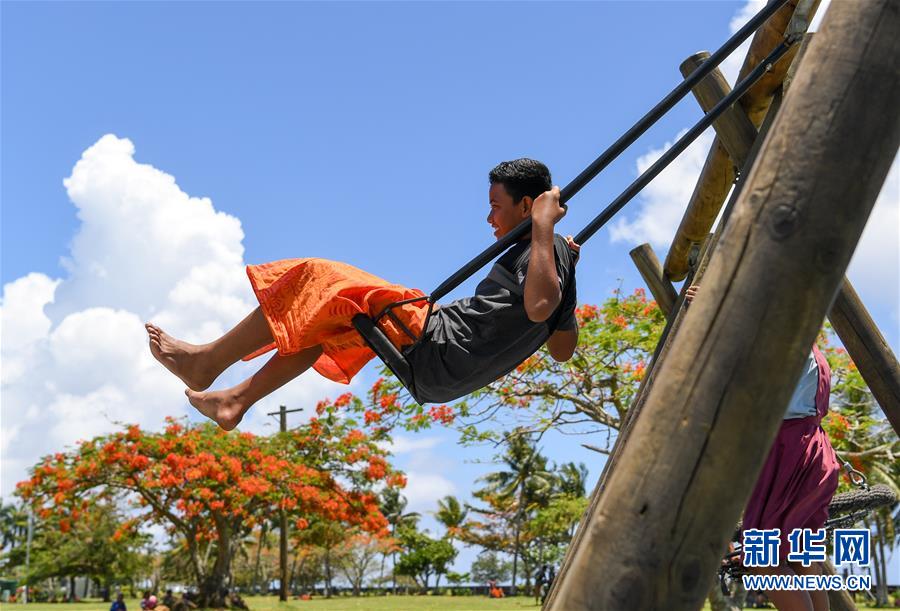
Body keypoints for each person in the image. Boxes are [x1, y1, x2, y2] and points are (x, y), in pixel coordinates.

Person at [146, 159, 580, 428]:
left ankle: (207, 361)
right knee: (327, 317)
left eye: (497, 206)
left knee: (316, 277)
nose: (489, 218)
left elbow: (541, 309)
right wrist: (566, 272)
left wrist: (545, 231)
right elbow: (561, 345)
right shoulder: (553, 258)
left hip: (439, 341)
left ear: (528, 207)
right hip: (441, 363)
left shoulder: (545, 245)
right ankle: (235, 400)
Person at [685, 285, 839, 611]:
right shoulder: (813, 353)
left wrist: (714, 308)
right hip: (815, 454)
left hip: (790, 454)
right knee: (803, 558)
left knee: (761, 558)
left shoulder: (787, 344)